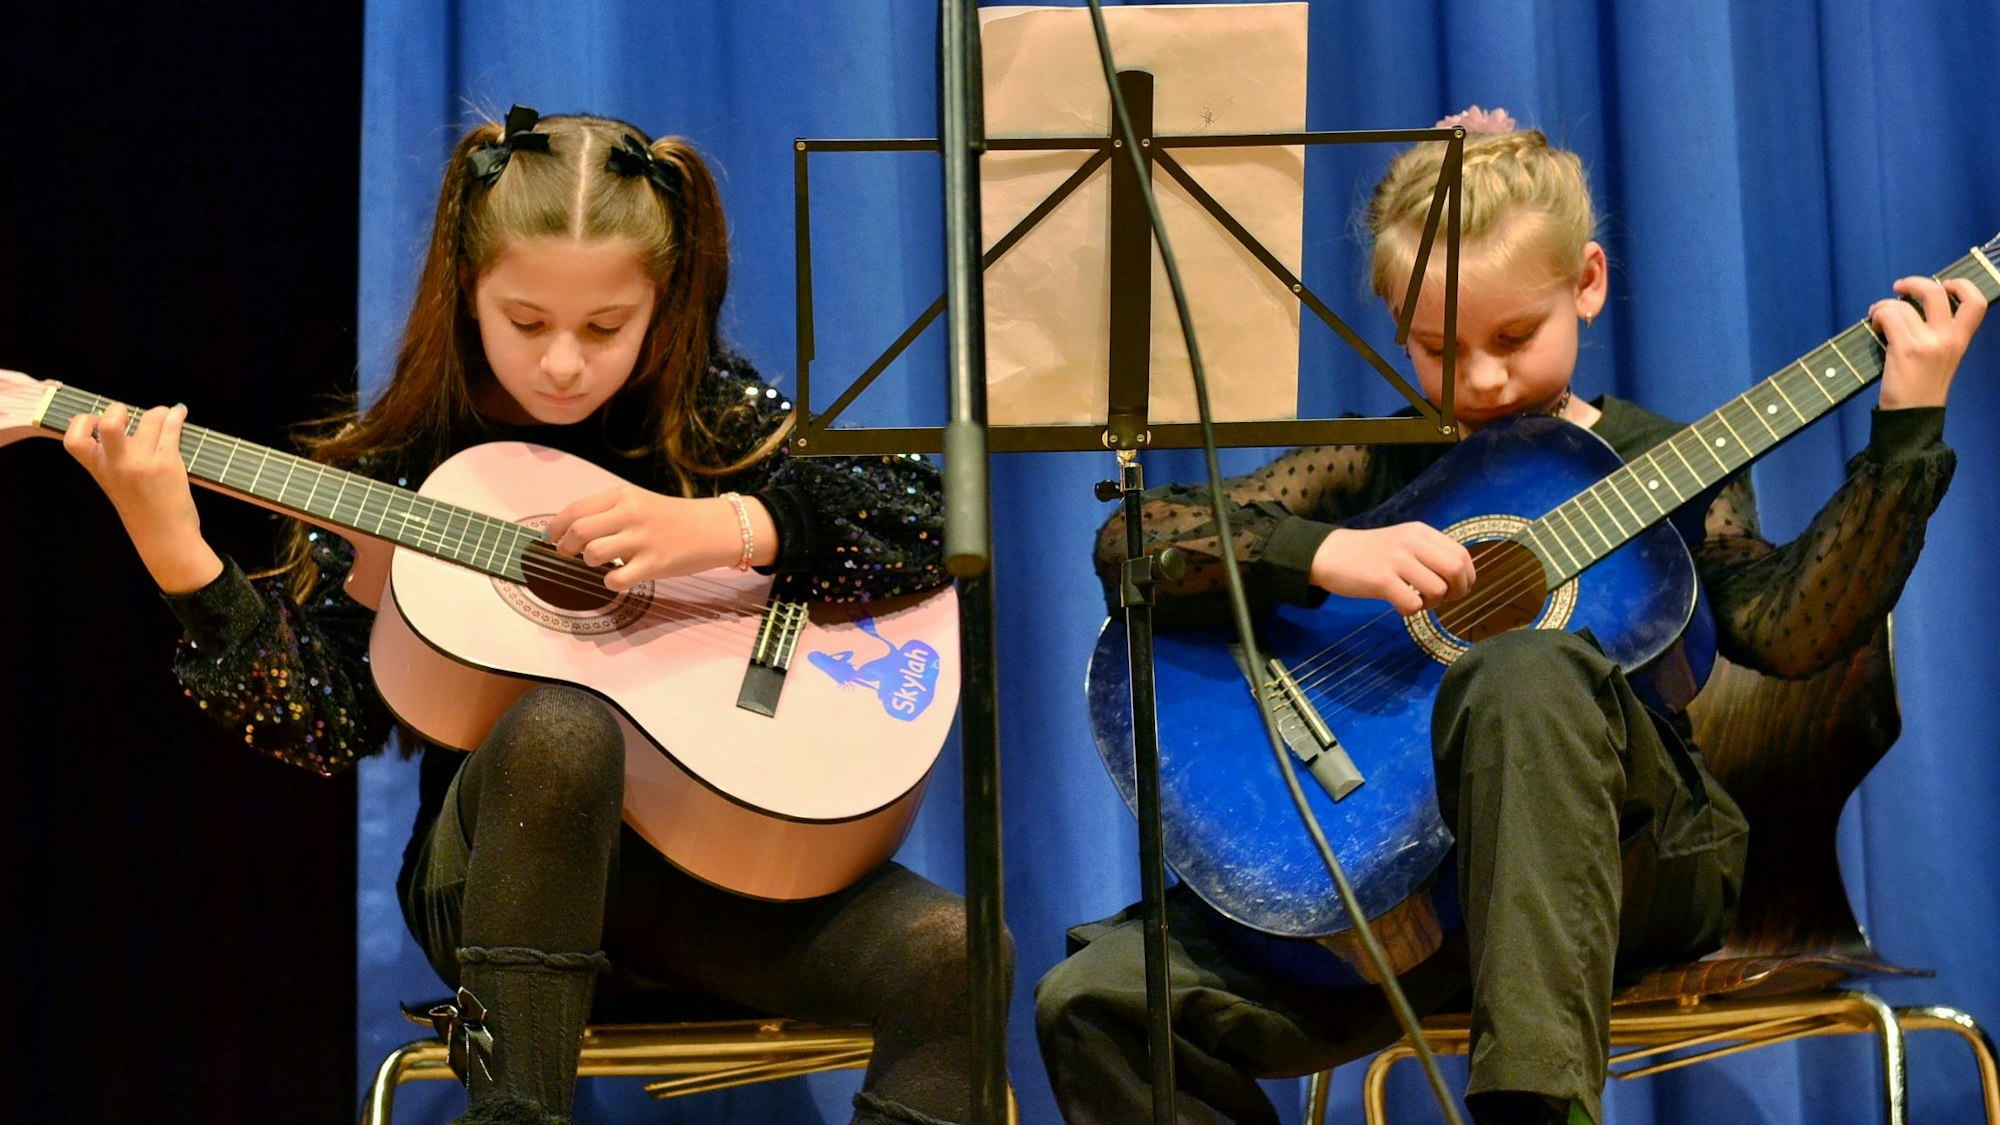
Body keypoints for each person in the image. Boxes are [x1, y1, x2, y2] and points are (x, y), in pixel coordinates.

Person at [1034, 106, 1987, 1125]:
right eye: (1435, 347)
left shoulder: (1659, 459)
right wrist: (1327, 553)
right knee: (1094, 1003)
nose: (1478, 380)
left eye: (1512, 337)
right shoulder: (1374, 461)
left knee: (1521, 670)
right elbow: (1129, 544)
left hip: (1620, 868)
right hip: (1400, 888)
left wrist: (1905, 426)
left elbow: (1790, 631)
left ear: (1584, 283)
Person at [60, 105, 1007, 1125]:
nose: (563, 361)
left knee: (958, 956)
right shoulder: (407, 471)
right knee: (562, 731)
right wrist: (181, 556)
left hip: (718, 895)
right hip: (508, 882)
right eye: (526, 323)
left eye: (605, 328)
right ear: (467, 293)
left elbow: (930, 515)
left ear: (664, 302)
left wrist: (726, 528)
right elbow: (325, 723)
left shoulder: (706, 422)